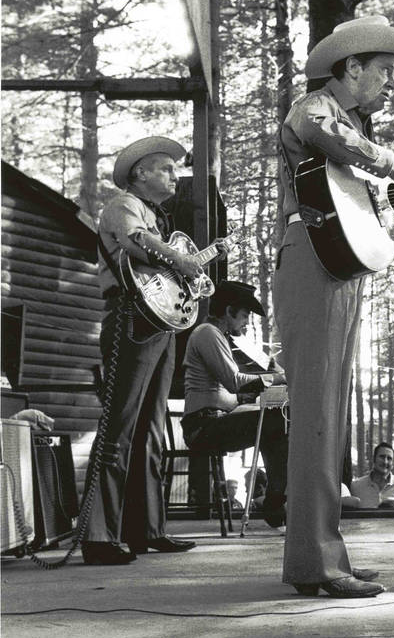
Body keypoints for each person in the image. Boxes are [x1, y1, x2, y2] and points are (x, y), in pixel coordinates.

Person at [273, 14, 394, 598]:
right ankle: (317, 564)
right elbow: (322, 133)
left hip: (337, 267)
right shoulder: (314, 108)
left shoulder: (352, 133)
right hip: (310, 262)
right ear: (352, 67)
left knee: (331, 418)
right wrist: (390, 161)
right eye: (383, 69)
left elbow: (367, 220)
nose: (391, 81)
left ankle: (326, 554)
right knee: (315, 414)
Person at [80, 136, 209, 565]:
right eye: (166, 168)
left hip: (157, 322)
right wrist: (182, 260)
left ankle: (146, 529)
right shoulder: (124, 205)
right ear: (140, 173)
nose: (174, 175)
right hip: (130, 319)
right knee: (120, 425)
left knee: (152, 430)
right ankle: (99, 536)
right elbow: (137, 243)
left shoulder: (154, 215)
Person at [181, 280, 288, 527]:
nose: (246, 322)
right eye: (243, 315)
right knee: (278, 422)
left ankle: (274, 499)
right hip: (202, 426)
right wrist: (280, 377)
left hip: (214, 420)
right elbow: (234, 381)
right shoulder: (207, 333)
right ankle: (274, 501)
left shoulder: (218, 336)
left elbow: (230, 393)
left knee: (277, 423)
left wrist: (261, 386)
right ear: (228, 311)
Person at [351, 442, 394, 509]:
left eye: (389, 458)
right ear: (373, 459)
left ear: (392, 464)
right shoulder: (356, 486)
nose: (385, 462)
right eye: (382, 457)